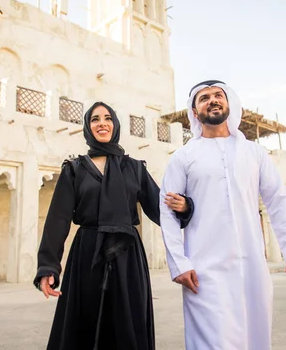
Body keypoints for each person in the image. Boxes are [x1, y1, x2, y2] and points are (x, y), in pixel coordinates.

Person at [159, 80, 286, 350]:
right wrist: (179, 263)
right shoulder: (183, 157)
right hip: (203, 269)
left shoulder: (254, 153)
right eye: (204, 98)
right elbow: (167, 212)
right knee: (211, 341)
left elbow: (278, 200)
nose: (213, 100)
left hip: (252, 266)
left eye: (219, 95)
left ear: (230, 104)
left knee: (255, 338)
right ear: (195, 112)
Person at [34, 101, 194, 350]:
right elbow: (58, 219)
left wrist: (184, 208)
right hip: (87, 253)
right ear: (88, 127)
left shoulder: (134, 168)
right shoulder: (75, 169)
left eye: (108, 118)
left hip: (127, 256)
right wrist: (48, 266)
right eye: (95, 119)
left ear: (115, 125)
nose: (102, 123)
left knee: (126, 320)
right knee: (85, 321)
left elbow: (159, 210)